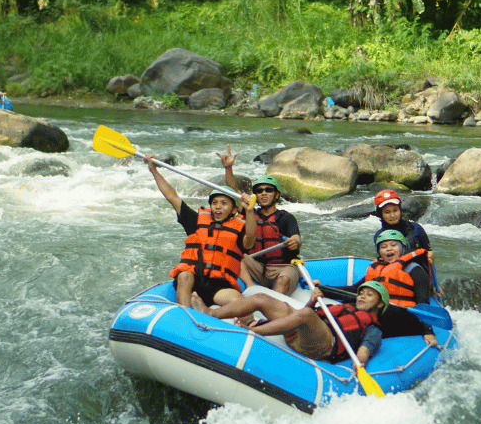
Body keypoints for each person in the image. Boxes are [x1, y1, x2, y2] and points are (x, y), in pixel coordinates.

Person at [146, 155, 257, 310]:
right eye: (214, 203)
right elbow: (172, 197)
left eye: (224, 203)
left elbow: (250, 240)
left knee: (238, 300)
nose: (218, 207)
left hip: (218, 285)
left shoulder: (239, 227)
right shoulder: (196, 221)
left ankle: (219, 315)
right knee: (184, 275)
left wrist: (250, 211)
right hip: (194, 280)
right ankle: (187, 315)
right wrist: (154, 171)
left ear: (233, 210)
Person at [208, 281, 390, 365]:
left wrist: (361, 362)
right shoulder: (346, 308)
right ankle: (211, 313)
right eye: (361, 293)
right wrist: (312, 301)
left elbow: (366, 348)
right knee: (262, 298)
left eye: (369, 295)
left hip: (320, 346)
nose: (362, 297)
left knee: (306, 314)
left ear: (380, 304)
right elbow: (309, 316)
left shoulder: (373, 327)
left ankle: (251, 331)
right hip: (299, 334)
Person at [218, 147, 302, 295]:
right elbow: (233, 191)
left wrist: (294, 242)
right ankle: (251, 288)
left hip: (282, 268)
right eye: (259, 190)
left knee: (283, 280)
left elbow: (296, 239)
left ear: (276, 195)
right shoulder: (250, 213)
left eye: (268, 190)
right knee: (236, 254)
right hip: (258, 267)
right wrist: (229, 168)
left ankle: (275, 307)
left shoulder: (286, 217)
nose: (263, 193)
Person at [372, 189, 440, 296]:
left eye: (395, 210)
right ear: (381, 215)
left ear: (400, 211)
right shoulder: (379, 236)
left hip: (418, 274)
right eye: (387, 212)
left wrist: (434, 284)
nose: (392, 215)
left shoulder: (416, 228)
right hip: (394, 274)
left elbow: (429, 256)